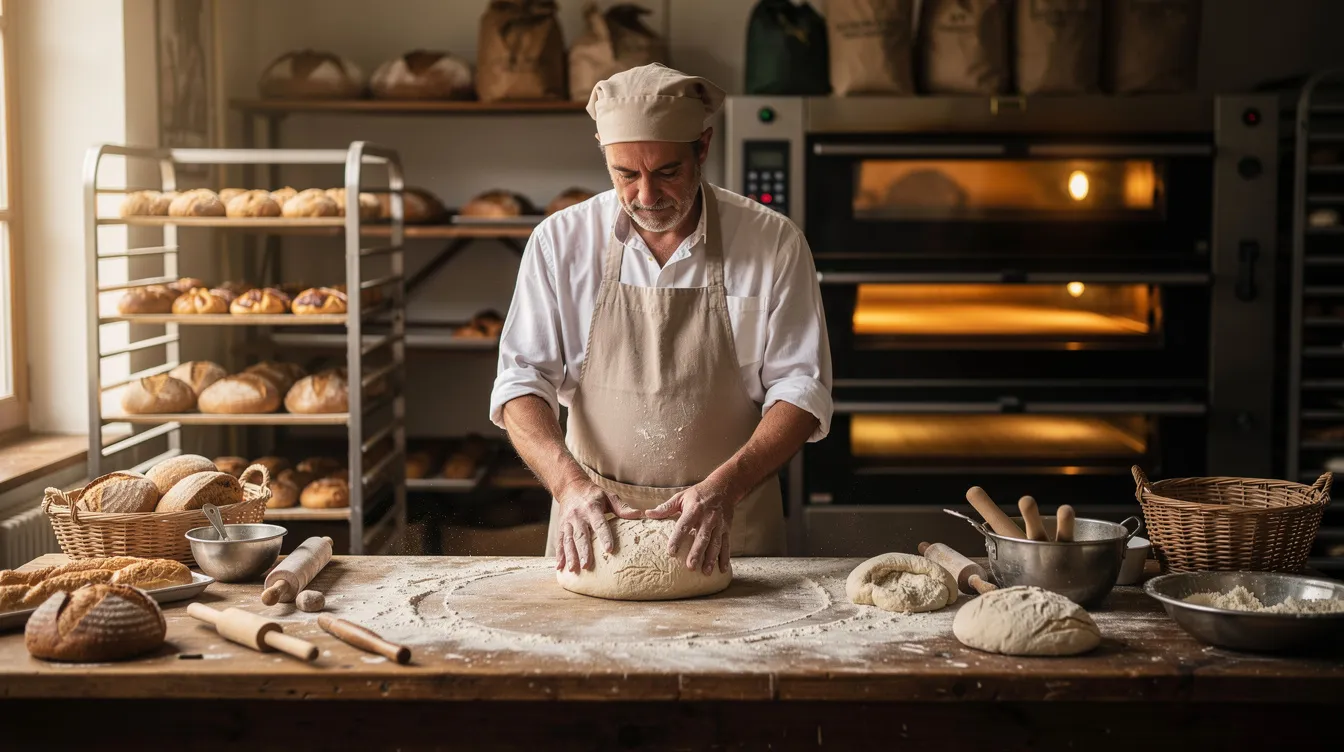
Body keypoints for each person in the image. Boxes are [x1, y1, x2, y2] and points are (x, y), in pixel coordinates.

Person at [489, 63, 832, 576]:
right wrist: (568, 486)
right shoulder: (560, 243)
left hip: (728, 523)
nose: (646, 197)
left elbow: (801, 390)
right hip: (596, 528)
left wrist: (726, 489)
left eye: (667, 172)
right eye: (626, 174)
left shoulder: (772, 243)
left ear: (703, 147)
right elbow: (519, 382)